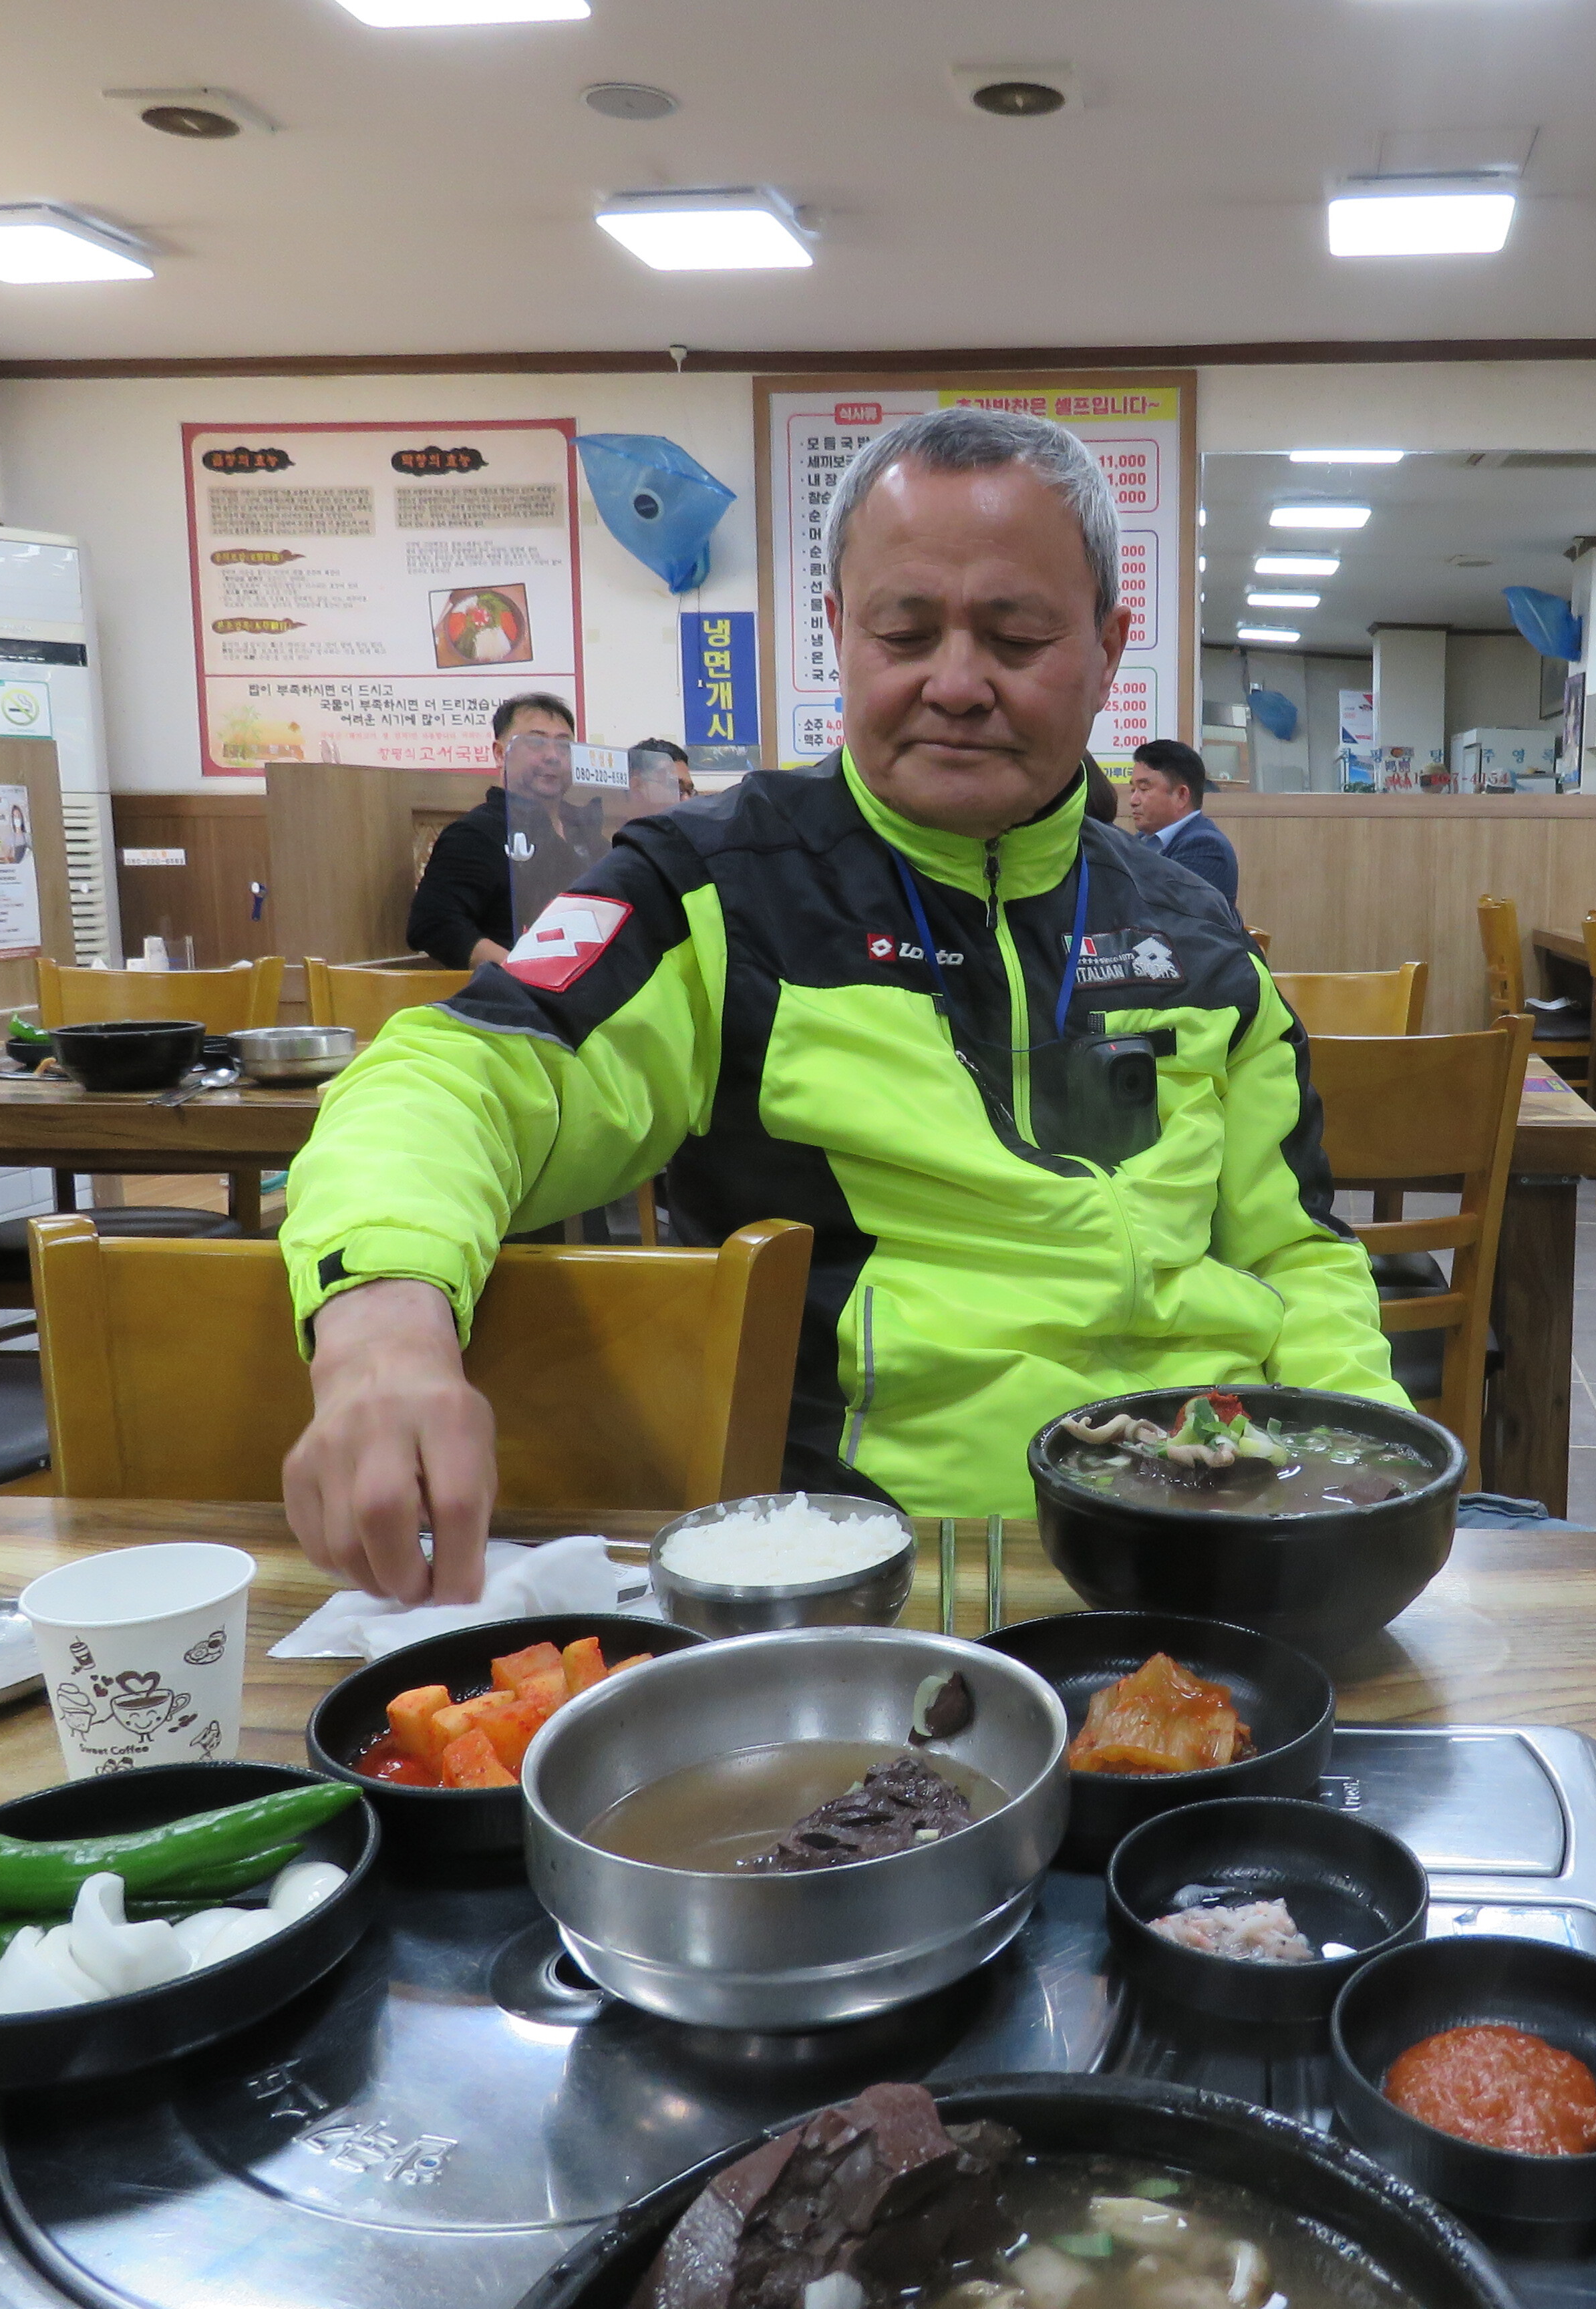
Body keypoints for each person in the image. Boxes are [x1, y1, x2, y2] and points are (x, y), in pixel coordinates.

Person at [280, 406, 1398, 1603]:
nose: (955, 684)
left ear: (1108, 647)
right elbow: (456, 1075)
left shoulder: (1196, 932)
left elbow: (1295, 1253)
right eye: (903, 632)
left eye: (1017, 637)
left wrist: (1365, 1483)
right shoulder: (714, 889)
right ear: (837, 632)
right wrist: (382, 1321)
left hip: (1214, 1545)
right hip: (876, 1574)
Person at [406, 694, 599, 968]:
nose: (553, 756)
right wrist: (522, 970)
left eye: (564, 746)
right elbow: (434, 924)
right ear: (500, 754)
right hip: (520, 989)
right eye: (536, 742)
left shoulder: (588, 833)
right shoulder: (476, 834)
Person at [1124, 738, 1240, 908]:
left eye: (1144, 789)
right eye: (1133, 790)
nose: (1133, 801)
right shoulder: (1142, 840)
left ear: (1181, 796)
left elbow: (1164, 912)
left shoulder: (1205, 847)